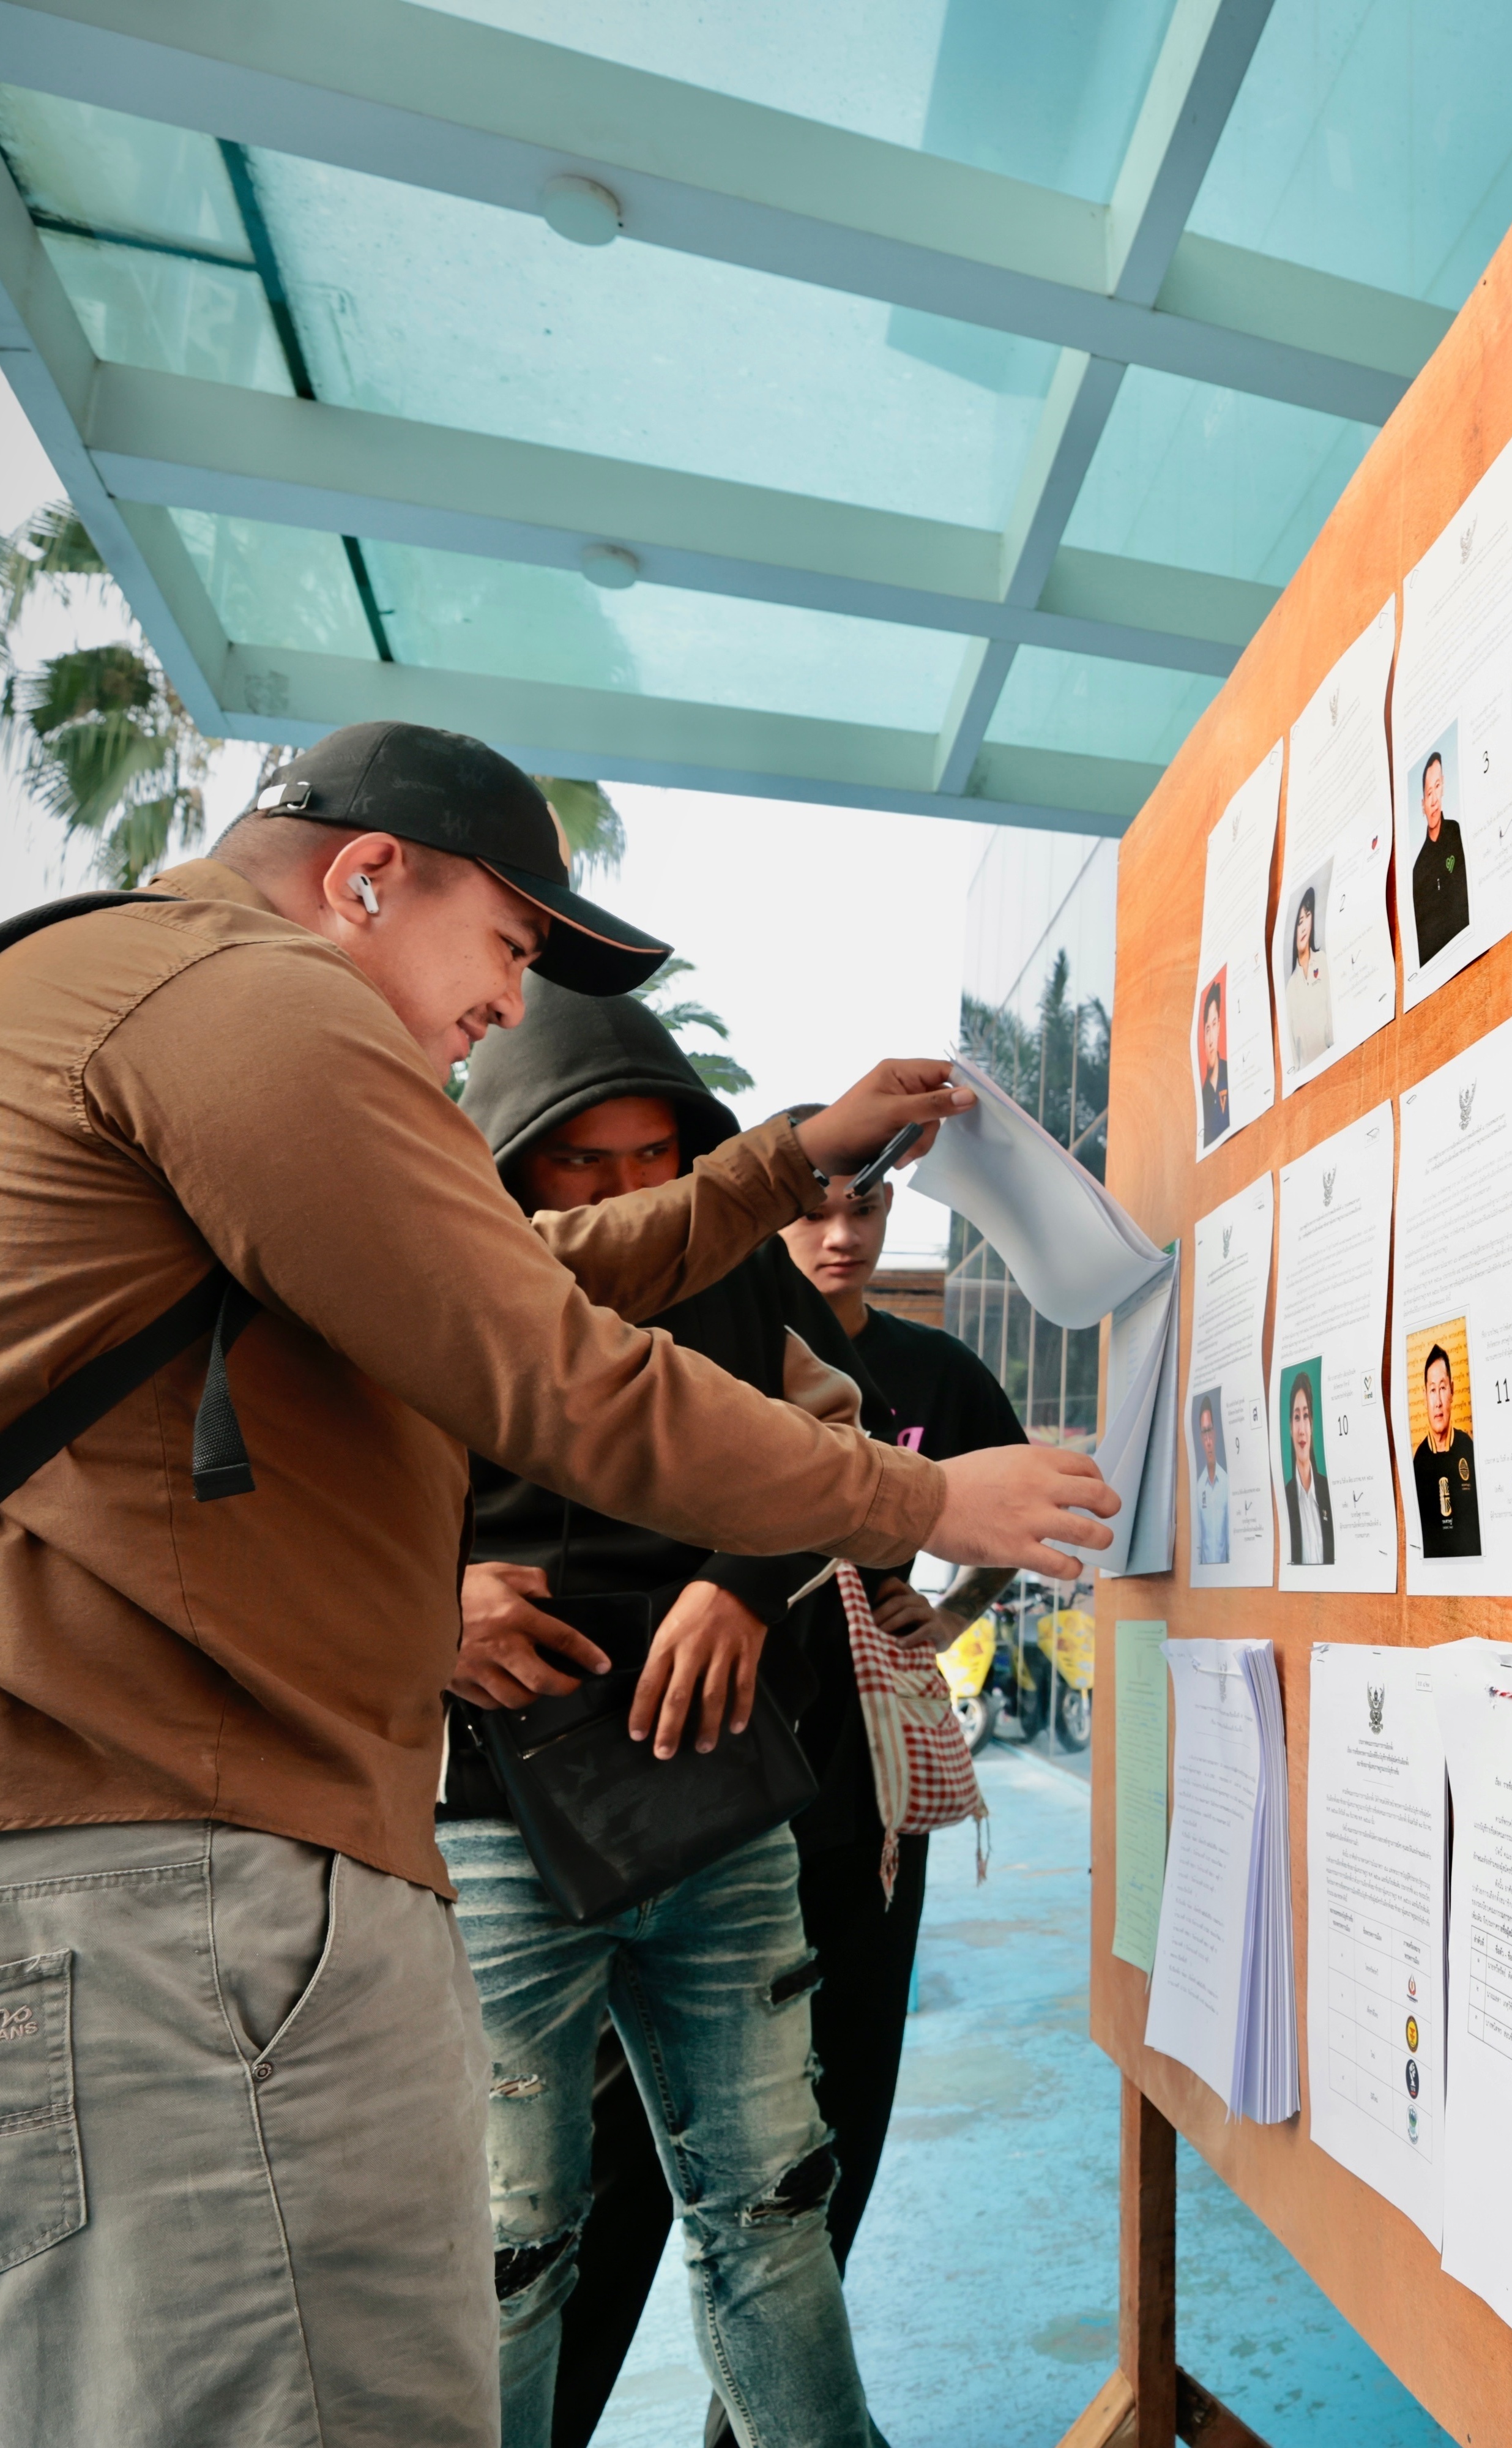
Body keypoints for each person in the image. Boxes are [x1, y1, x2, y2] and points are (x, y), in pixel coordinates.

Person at [0, 719, 1115, 2448]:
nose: (510, 1007)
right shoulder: (248, 1001)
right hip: (189, 1875)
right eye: (508, 946)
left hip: (225, 1854)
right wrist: (917, 1495)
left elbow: (542, 1272)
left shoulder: (141, 1001)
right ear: (365, 879)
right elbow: (563, 1366)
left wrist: (791, 1150)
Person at [521, 1100, 1037, 2448]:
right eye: (815, 1202)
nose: (839, 1231)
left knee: (798, 2165)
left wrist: (941, 1600)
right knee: (577, 2185)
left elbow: (963, 1499)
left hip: (835, 1794)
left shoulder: (900, 1365)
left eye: (863, 1207)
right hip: (639, 1801)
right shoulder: (575, 1306)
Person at [447, 995, 917, 2448]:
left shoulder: (741, 1281)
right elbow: (283, 1497)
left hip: (721, 1811)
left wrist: (741, 1579)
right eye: (579, 1161)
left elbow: (829, 1443)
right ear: (509, 1161)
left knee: (774, 2203)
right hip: (491, 1826)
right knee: (509, 2239)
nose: (627, 1187)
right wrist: (426, 1602)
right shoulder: (421, 1284)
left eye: (657, 1150)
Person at [1412, 1343, 1481, 1560]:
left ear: (1452, 1390)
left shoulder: (1468, 1448)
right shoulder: (1418, 1462)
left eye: (1443, 1388)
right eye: (1433, 1390)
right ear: (1424, 1397)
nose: (1439, 1402)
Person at [1409, 752, 1469, 968]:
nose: (1434, 800)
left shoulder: (1457, 833)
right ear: (1422, 804)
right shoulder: (1418, 870)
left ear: (1443, 787)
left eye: (1437, 787)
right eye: (1428, 793)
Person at [1283, 1371, 1334, 1567]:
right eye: (1297, 1417)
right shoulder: (1286, 1497)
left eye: (1306, 1416)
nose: (1302, 1429)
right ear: (1290, 1426)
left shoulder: (1329, 1492)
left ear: (1312, 1424)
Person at [1283, 888, 1333, 1070]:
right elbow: (1294, 1059)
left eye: (1308, 915)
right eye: (1299, 922)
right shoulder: (1290, 989)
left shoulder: (1323, 961)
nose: (1304, 927)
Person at [1190, 1390, 1234, 1567]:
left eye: (1209, 1431)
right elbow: (1198, 1548)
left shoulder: (1228, 1483)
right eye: (1203, 1433)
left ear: (1215, 1433)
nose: (1208, 1440)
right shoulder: (1199, 1487)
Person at [1196, 974, 1231, 1144]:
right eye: (1207, 1029)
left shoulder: (1232, 1074)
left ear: (1220, 1026)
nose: (1210, 1040)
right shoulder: (1203, 1098)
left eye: (1214, 1024)